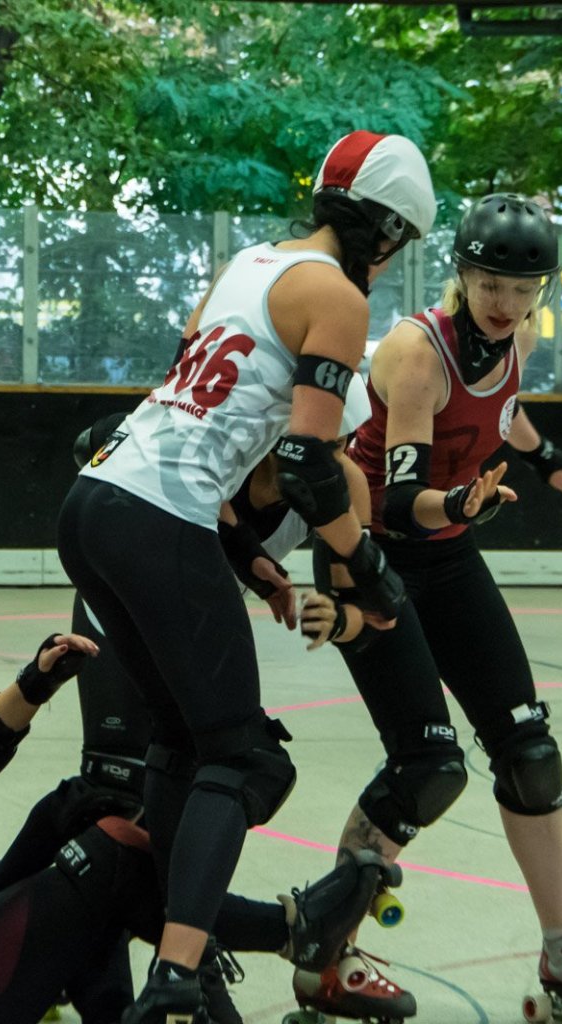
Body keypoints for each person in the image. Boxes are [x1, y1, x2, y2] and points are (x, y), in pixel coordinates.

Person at [56, 130, 436, 1024]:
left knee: (183, 747)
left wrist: (261, 569)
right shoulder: (337, 296)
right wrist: (371, 570)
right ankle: (177, 986)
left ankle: (174, 952)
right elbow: (306, 464)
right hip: (158, 516)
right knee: (247, 758)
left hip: (94, 500)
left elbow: (197, 426)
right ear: (387, 234)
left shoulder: (246, 265)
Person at [301, 193, 562, 1024]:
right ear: (461, 271)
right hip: (369, 555)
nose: (504, 302)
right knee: (428, 766)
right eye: (489, 282)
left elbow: (504, 415)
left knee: (528, 753)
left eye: (522, 290)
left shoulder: (513, 341)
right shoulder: (418, 351)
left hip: (444, 553)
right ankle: (323, 961)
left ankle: (560, 950)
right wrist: (465, 508)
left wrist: (550, 458)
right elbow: (404, 497)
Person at [0, 634, 401, 1024]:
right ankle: (290, 931)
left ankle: (283, 939)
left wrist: (34, 683)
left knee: (91, 836)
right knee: (105, 857)